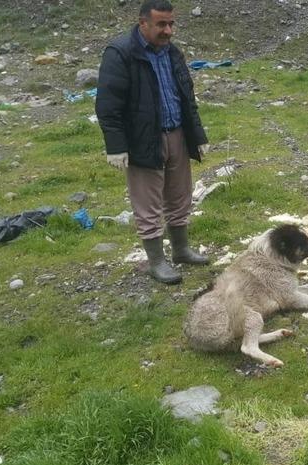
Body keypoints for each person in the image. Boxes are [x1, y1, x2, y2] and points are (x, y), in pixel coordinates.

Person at [96, 0, 209, 284]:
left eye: (171, 24)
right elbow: (108, 104)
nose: (168, 30)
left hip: (178, 135)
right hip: (143, 140)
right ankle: (156, 262)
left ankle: (181, 250)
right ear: (142, 22)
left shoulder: (173, 53)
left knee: (180, 196)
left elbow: (186, 98)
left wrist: (198, 135)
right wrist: (116, 146)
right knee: (148, 204)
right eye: (161, 24)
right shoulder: (121, 53)